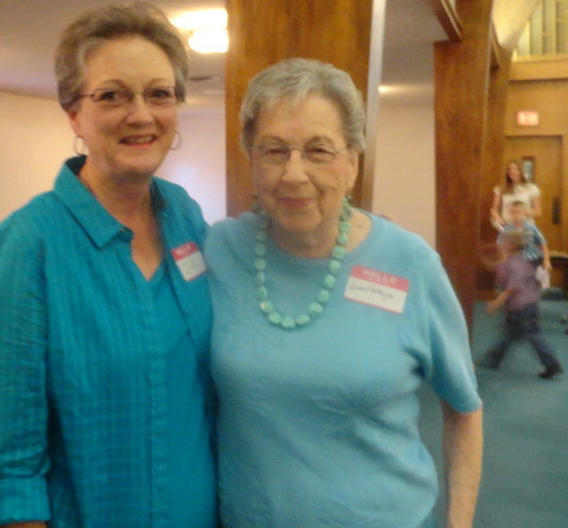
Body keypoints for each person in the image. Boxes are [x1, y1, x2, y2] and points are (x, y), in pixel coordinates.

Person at [0, 2, 215, 527]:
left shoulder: (186, 217)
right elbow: (5, 469)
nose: (140, 114)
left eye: (158, 94)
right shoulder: (28, 247)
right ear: (74, 112)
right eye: (113, 95)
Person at [206, 58, 483, 527]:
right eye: (274, 151)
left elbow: (464, 409)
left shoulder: (410, 265)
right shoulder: (220, 251)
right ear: (250, 159)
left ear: (352, 161)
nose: (294, 174)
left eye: (318, 151)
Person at [479, 228, 563, 380]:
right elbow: (498, 268)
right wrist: (484, 257)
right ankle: (493, 359)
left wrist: (496, 303)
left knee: (532, 335)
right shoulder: (512, 260)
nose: (500, 244)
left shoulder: (518, 263)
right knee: (510, 333)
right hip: (520, 305)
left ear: (512, 245)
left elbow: (512, 287)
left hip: (523, 305)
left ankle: (552, 364)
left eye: (503, 242)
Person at [504, 200, 550, 287]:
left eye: (518, 212)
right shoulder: (507, 230)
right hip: (515, 259)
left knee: (534, 281)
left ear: (525, 214)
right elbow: (502, 244)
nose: (515, 215)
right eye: (513, 213)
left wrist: (546, 260)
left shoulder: (532, 229)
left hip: (532, 259)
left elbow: (543, 244)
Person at [490, 159, 541, 229]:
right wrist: (499, 220)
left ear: (521, 171)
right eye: (509, 169)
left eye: (516, 169)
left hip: (526, 227)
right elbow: (494, 209)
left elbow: (538, 211)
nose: (512, 172)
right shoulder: (500, 189)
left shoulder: (531, 188)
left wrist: (523, 212)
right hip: (507, 227)